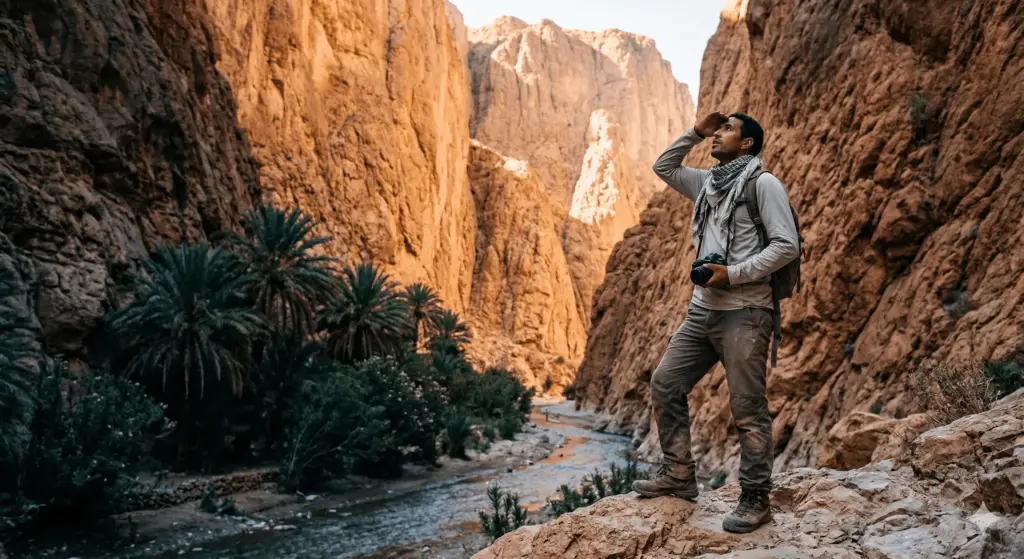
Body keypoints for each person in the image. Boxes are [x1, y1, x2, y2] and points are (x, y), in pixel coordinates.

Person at [631, 112, 800, 534]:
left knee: (747, 407)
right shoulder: (708, 183)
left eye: (727, 130)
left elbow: (787, 245)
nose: (718, 135)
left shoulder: (764, 185)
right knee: (666, 383)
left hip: (746, 311)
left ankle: (756, 497)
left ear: (747, 144)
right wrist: (696, 132)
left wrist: (734, 273)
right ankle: (680, 475)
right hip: (702, 310)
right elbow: (663, 167)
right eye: (718, 129)